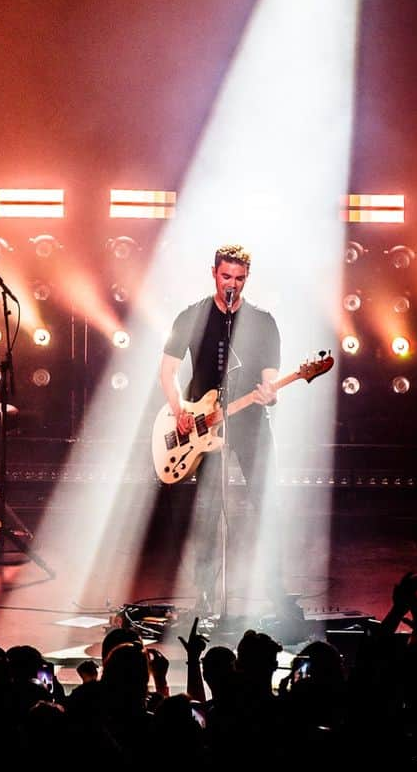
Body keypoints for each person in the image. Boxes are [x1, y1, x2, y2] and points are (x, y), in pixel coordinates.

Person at [159, 244, 286, 616]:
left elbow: (270, 376)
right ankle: (204, 592)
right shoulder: (192, 316)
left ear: (248, 278)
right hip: (203, 425)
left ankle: (274, 587)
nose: (233, 285)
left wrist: (270, 394)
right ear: (213, 273)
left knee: (268, 502)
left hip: (248, 422)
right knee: (208, 509)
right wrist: (179, 409)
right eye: (226, 276)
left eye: (240, 279)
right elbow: (167, 371)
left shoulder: (263, 322)